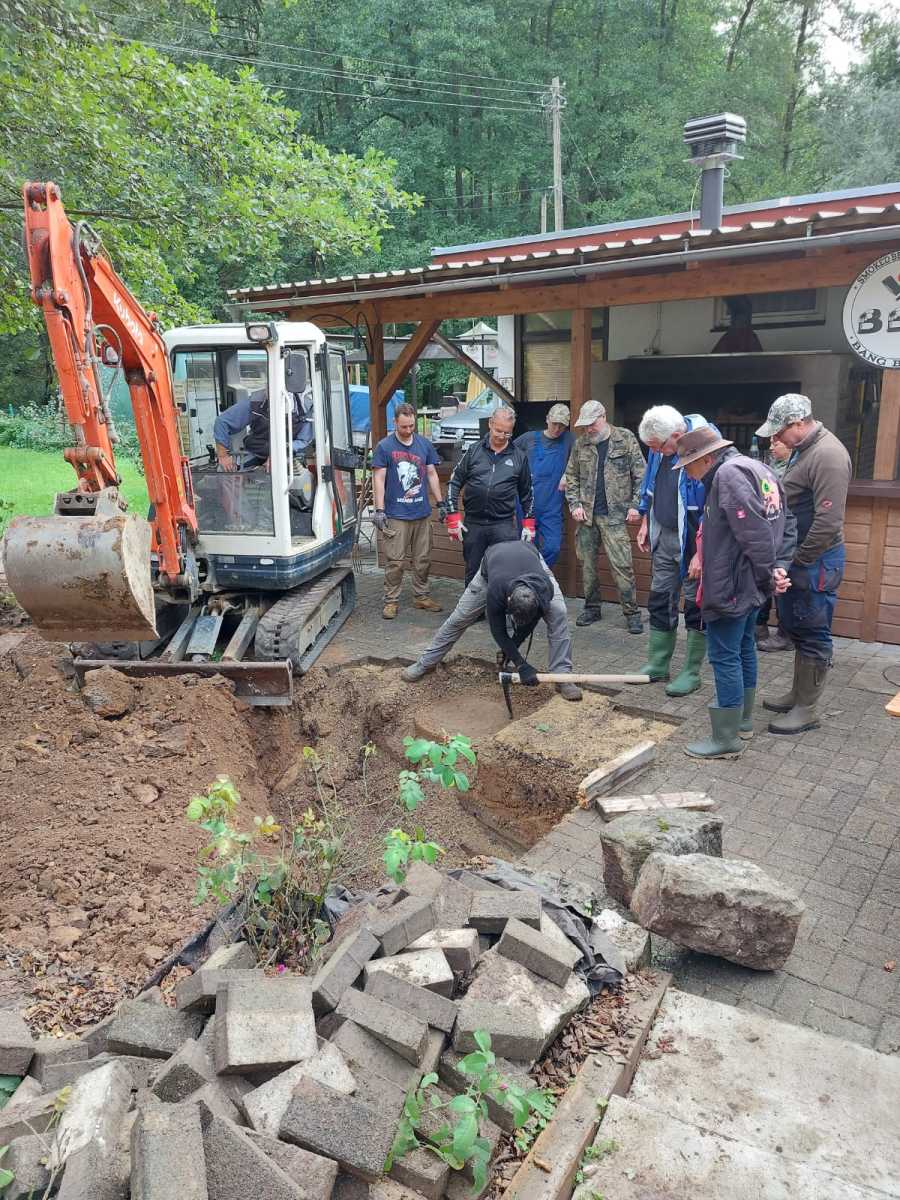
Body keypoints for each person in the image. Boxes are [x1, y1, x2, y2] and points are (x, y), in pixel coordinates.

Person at [670, 426, 790, 759]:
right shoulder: (758, 468)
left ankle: (725, 739)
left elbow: (755, 534)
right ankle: (743, 723)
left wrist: (770, 573)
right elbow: (784, 521)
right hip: (750, 582)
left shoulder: (728, 475)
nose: (688, 475)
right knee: (744, 648)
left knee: (724, 656)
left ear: (706, 458)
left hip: (732, 584)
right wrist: (774, 570)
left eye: (689, 466)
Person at [756, 393, 851, 734]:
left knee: (813, 632)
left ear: (798, 423)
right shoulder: (805, 449)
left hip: (816, 560)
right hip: (801, 557)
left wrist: (797, 561)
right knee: (798, 626)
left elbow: (828, 522)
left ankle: (807, 709)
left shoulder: (828, 455)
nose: (776, 438)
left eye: (779, 431)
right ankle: (798, 695)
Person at [401, 540, 582, 701]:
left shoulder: (544, 588)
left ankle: (562, 677)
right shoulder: (496, 589)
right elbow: (498, 630)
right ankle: (425, 663)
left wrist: (512, 647)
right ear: (508, 600)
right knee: (459, 618)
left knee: (558, 612)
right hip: (493, 564)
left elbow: (532, 620)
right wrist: (521, 664)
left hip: (533, 561)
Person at [636, 406, 717, 695]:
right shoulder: (660, 448)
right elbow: (651, 485)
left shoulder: (705, 445)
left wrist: (701, 552)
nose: (655, 452)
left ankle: (691, 672)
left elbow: (714, 506)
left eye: (658, 447)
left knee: (695, 606)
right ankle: (658, 664)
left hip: (694, 541)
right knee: (659, 599)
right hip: (664, 535)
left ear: (676, 436)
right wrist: (646, 521)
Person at [564, 401, 646, 634]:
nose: (588, 429)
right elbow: (571, 476)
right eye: (585, 425)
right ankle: (592, 608)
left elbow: (642, 474)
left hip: (615, 516)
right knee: (588, 567)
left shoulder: (625, 438)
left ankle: (631, 613)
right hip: (586, 517)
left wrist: (636, 505)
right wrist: (574, 504)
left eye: (592, 424)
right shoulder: (580, 444)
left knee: (622, 566)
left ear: (603, 416)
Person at [445, 405, 535, 585]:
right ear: (490, 424)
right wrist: (453, 516)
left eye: (507, 433)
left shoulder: (519, 457)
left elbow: (527, 493)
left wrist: (529, 524)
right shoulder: (474, 450)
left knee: (505, 572)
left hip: (503, 525)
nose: (502, 436)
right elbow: (454, 482)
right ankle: (474, 605)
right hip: (474, 524)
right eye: (498, 430)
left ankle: (499, 603)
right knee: (473, 573)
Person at [371, 403, 445, 620]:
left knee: (423, 559)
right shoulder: (384, 447)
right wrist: (379, 510)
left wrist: (441, 503)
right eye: (404, 426)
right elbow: (379, 478)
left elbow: (431, 474)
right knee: (395, 561)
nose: (408, 430)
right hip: (396, 514)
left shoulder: (424, 445)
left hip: (421, 512)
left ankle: (421, 596)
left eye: (411, 425)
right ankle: (391, 600)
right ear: (395, 422)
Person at [514, 403, 573, 568]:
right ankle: (529, 579)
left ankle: (537, 574)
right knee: (526, 548)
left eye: (562, 426)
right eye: (554, 424)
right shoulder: (528, 438)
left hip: (552, 507)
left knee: (552, 548)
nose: (557, 429)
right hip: (526, 505)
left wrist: (568, 474)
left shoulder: (569, 440)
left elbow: (581, 461)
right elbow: (507, 455)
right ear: (547, 419)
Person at [214, 386, 313, 471]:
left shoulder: (306, 406)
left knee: (295, 476)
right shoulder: (255, 402)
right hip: (256, 451)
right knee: (224, 470)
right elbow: (222, 422)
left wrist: (279, 453)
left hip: (288, 453)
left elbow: (303, 441)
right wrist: (223, 456)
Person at [755, 436, 793, 651]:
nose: (771, 447)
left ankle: (785, 634)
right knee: (763, 579)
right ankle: (759, 627)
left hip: (786, 532)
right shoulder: (768, 467)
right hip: (768, 533)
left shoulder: (794, 468)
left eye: (776, 443)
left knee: (782, 586)